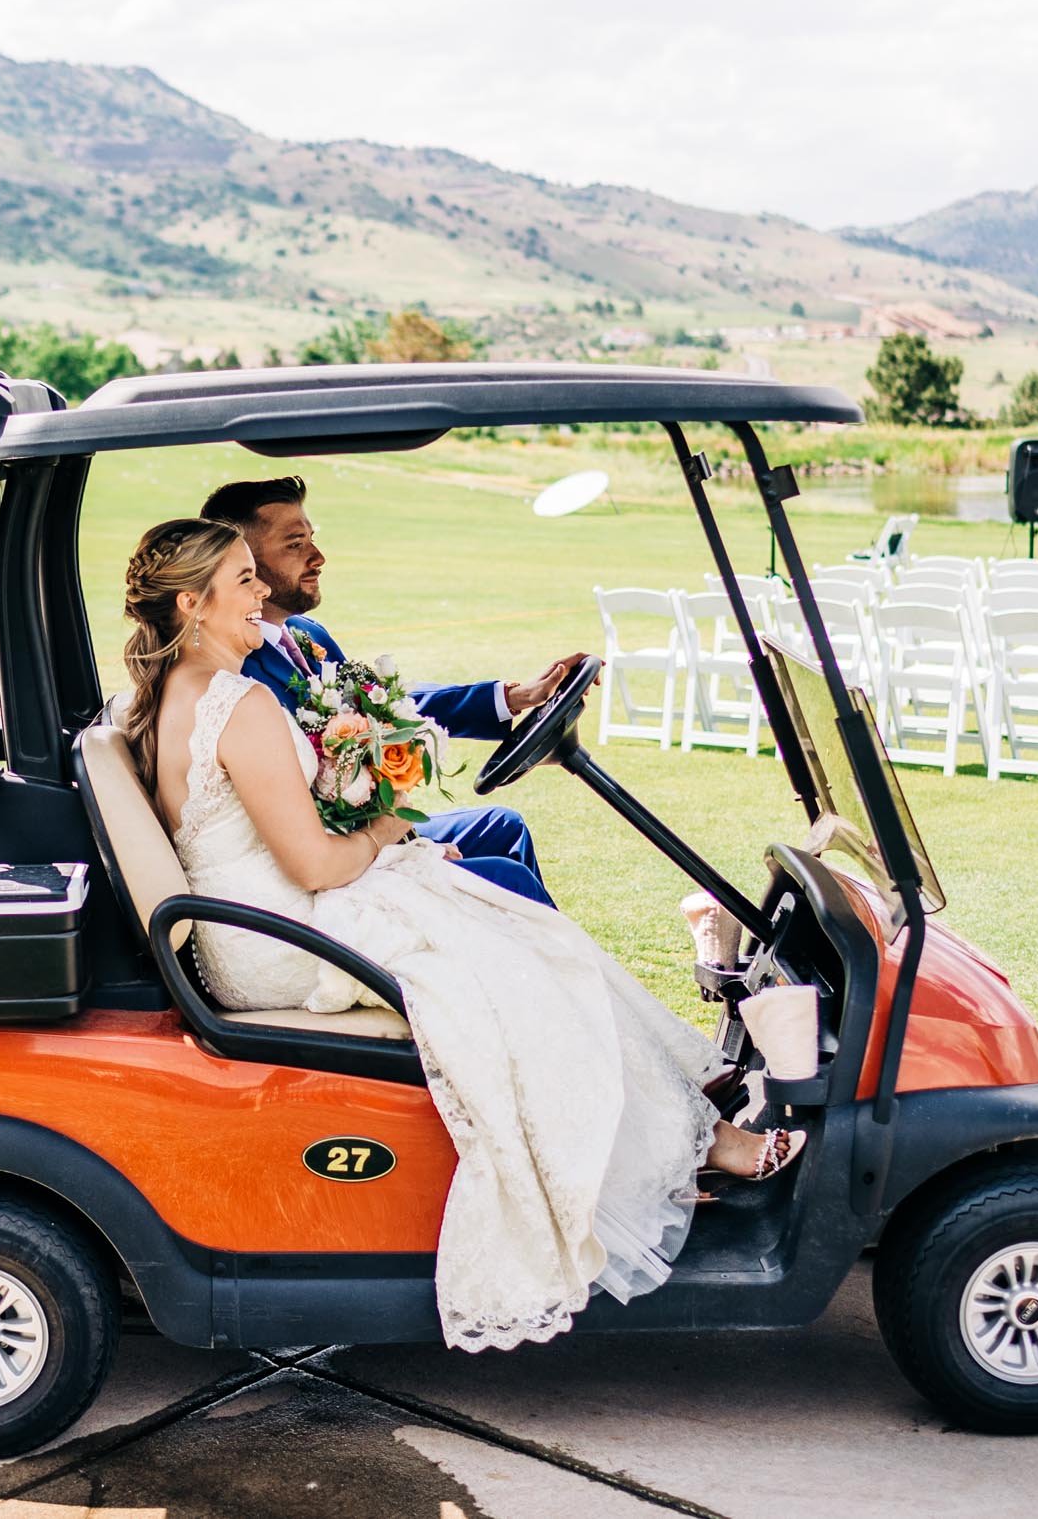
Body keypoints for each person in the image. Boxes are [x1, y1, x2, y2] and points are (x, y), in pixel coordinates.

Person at [123, 518, 799, 1354]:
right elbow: (312, 865)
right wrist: (386, 821)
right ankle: (698, 1142)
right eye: (242, 578)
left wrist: (380, 828)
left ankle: (683, 1126)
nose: (262, 589)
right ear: (192, 602)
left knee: (514, 922)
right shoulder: (240, 704)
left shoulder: (176, 696)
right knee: (526, 958)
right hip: (286, 934)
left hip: (255, 929)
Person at [202, 475, 584, 907]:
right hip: (334, 853)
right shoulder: (240, 672)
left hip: (374, 829)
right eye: (295, 545)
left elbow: (384, 710)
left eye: (313, 539)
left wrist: (512, 698)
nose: (318, 557)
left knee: (503, 826)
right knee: (507, 877)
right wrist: (404, 846)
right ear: (241, 564)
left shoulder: (306, 633)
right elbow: (303, 810)